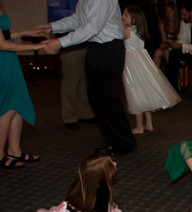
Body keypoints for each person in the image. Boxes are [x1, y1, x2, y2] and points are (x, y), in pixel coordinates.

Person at [35, 0, 137, 155]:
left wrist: (60, 42)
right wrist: (52, 27)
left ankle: (122, 143)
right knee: (96, 97)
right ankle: (115, 141)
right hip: (96, 48)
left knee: (106, 98)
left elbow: (92, 27)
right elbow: (78, 20)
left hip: (109, 48)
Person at [23, 153, 123, 212]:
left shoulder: (81, 182)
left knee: (111, 210)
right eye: (111, 164)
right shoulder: (102, 191)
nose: (115, 164)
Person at [122, 5, 180, 134]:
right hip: (143, 62)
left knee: (136, 94)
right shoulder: (138, 30)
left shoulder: (126, 31)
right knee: (145, 92)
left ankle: (139, 126)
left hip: (133, 65)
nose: (123, 17)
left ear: (134, 19)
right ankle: (148, 123)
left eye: (126, 15)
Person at [0, 3, 43, 168]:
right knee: (8, 107)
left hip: (8, 59)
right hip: (3, 60)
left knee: (17, 104)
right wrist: (33, 46)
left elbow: (4, 34)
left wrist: (27, 32)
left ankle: (14, 151)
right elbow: (2, 44)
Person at [47, 0, 94, 130]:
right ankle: (69, 115)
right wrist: (85, 14)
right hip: (67, 39)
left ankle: (85, 112)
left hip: (83, 39)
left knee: (84, 77)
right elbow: (55, 13)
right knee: (71, 78)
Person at [152, 2, 179, 68]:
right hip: (167, 45)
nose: (168, 13)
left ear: (174, 12)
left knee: (166, 52)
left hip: (177, 46)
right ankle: (154, 75)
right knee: (158, 52)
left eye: (170, 10)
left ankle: (174, 74)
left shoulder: (180, 23)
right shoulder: (162, 22)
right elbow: (163, 39)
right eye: (166, 10)